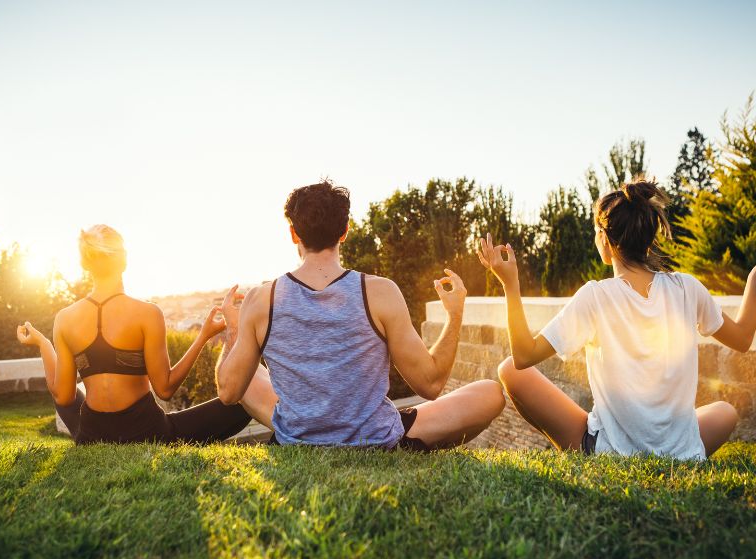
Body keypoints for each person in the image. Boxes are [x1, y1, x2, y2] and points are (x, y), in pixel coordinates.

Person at [214, 180, 505, 450]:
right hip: (376, 437)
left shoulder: (261, 298)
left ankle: (308, 427)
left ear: (293, 234)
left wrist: (235, 328)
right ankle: (406, 446)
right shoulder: (380, 292)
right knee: (491, 393)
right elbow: (430, 384)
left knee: (247, 371)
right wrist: (454, 315)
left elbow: (228, 392)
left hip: (296, 438)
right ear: (345, 231)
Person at [479, 179, 756, 459]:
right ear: (648, 238)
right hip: (682, 452)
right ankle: (674, 450)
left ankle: (593, 451)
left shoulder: (595, 296)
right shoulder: (688, 288)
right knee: (725, 412)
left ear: (605, 240)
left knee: (509, 370)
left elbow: (524, 356)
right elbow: (743, 339)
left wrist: (510, 284)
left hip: (611, 452)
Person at [17, 225, 273, 444]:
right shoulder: (147, 313)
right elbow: (165, 389)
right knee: (240, 401)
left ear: (85, 264)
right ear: (124, 259)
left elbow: (63, 397)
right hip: (148, 432)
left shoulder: (64, 318)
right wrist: (203, 336)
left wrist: (42, 343)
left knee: (73, 395)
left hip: (92, 434)